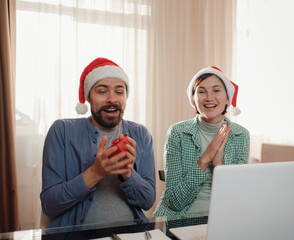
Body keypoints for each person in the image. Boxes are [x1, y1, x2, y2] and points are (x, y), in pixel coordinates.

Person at [40, 57, 156, 228]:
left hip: (131, 233)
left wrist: (128, 174)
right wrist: (95, 172)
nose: (112, 99)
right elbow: (50, 205)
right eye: (102, 91)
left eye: (119, 91)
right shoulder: (62, 131)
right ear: (89, 97)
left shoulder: (140, 134)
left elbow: (147, 201)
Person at [153, 66, 249, 217]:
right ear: (193, 99)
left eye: (216, 90)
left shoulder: (240, 135)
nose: (209, 97)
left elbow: (234, 198)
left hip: (222, 218)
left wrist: (218, 166)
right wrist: (205, 158)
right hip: (179, 219)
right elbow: (174, 201)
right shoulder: (177, 133)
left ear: (227, 98)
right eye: (201, 91)